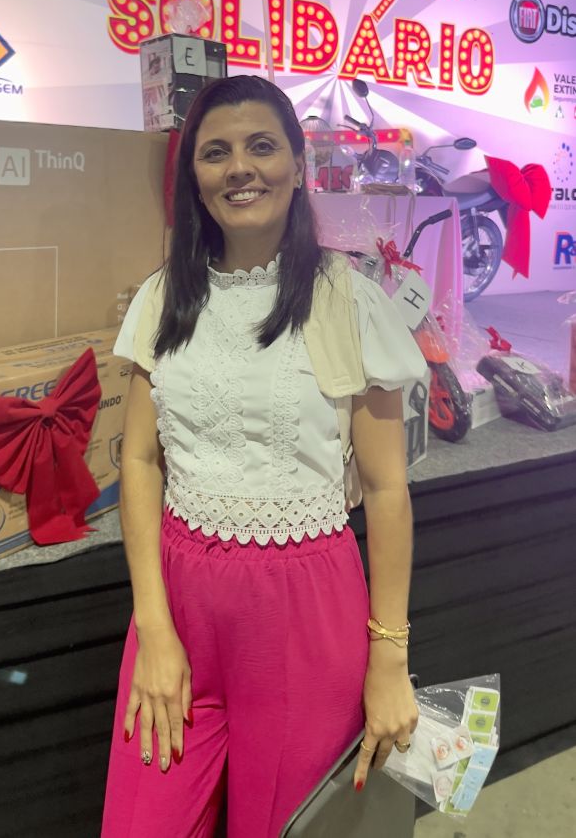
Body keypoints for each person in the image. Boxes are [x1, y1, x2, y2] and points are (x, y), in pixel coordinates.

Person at [102, 75, 426, 838]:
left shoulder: (348, 300)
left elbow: (385, 489)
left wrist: (388, 658)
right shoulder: (163, 298)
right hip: (178, 606)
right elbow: (140, 461)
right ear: (193, 176)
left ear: (296, 162)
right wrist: (152, 625)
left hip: (305, 616)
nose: (239, 167)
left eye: (260, 146)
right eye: (215, 152)